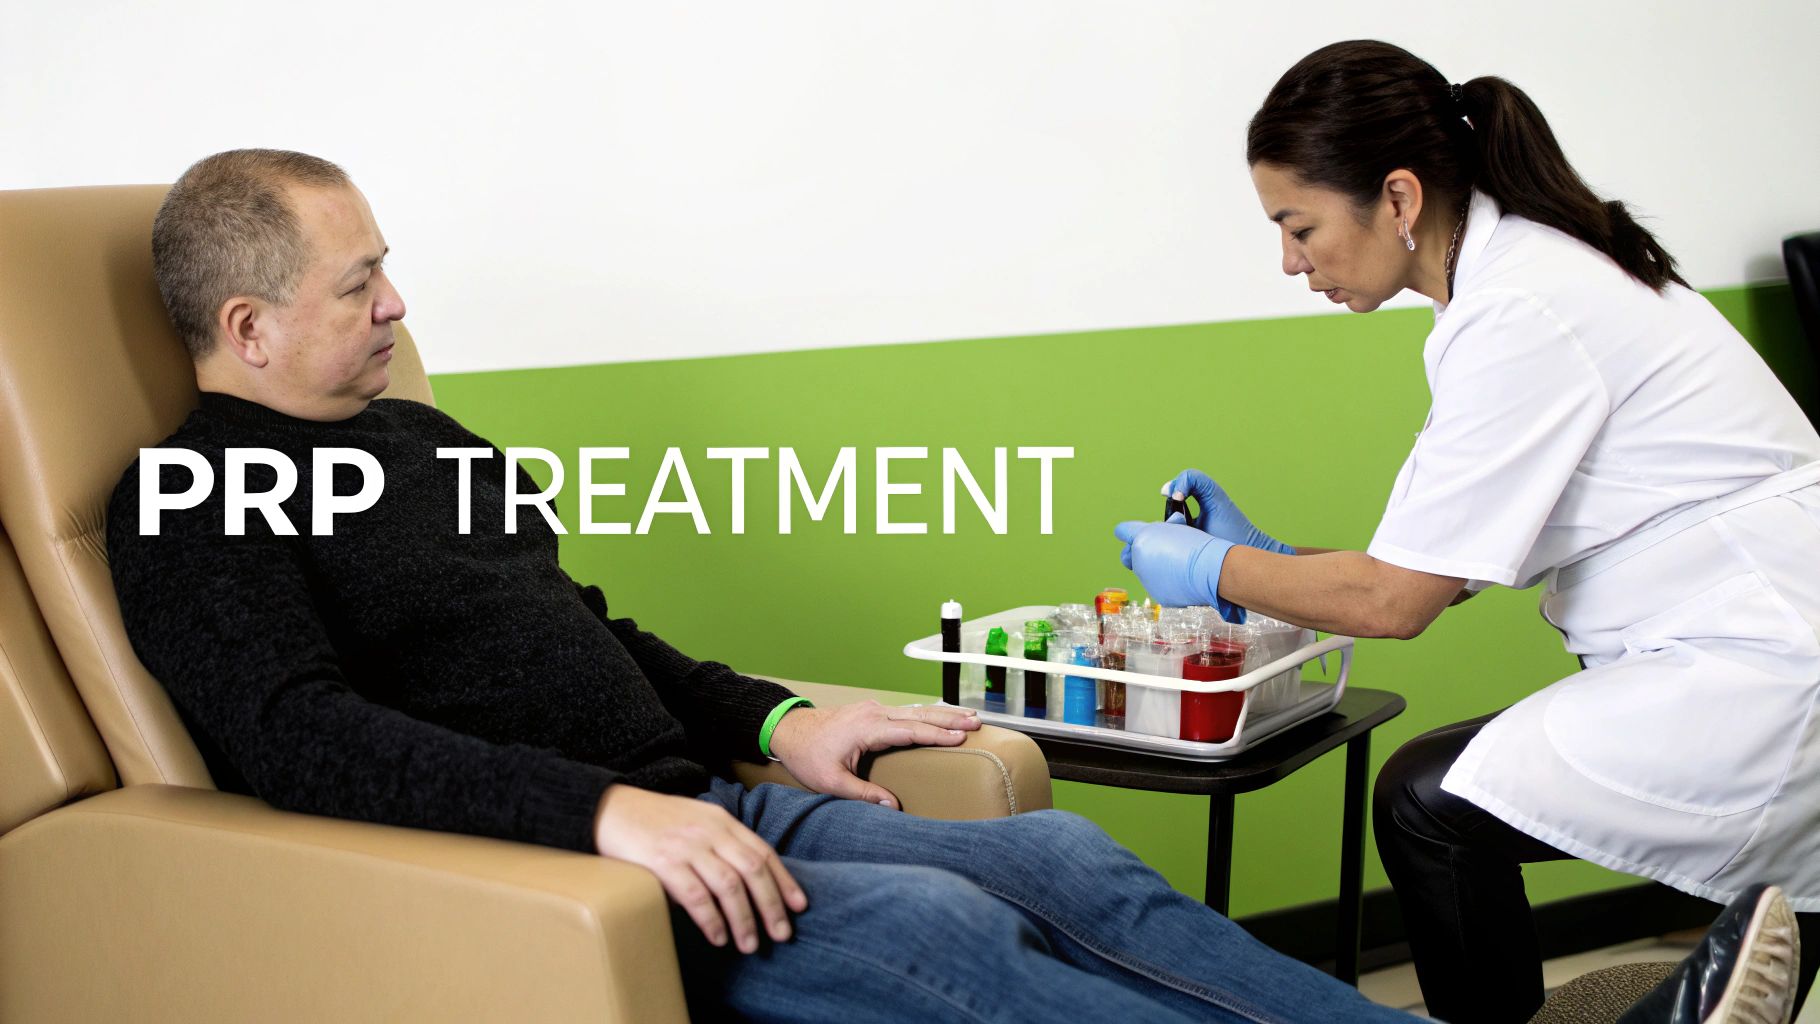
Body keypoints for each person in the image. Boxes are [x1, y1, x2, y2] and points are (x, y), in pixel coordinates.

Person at [107, 148, 1796, 1024]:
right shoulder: (188, 502)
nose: (400, 298)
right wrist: (607, 816)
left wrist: (779, 713)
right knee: (939, 925)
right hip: (589, 874)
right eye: (363, 277)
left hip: (708, 810)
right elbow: (296, 741)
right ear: (250, 330)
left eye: (390, 263)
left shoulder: (427, 439)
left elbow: (590, 637)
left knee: (1052, 843)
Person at [1114, 39, 1820, 1024]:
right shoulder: (1520, 277)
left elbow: (1392, 603)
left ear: (1396, 199)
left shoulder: (1518, 310)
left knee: (1425, 802)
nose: (1287, 260)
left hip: (1764, 655)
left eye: (1296, 224)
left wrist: (1214, 568)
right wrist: (1267, 561)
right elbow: (1427, 568)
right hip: (1751, 634)